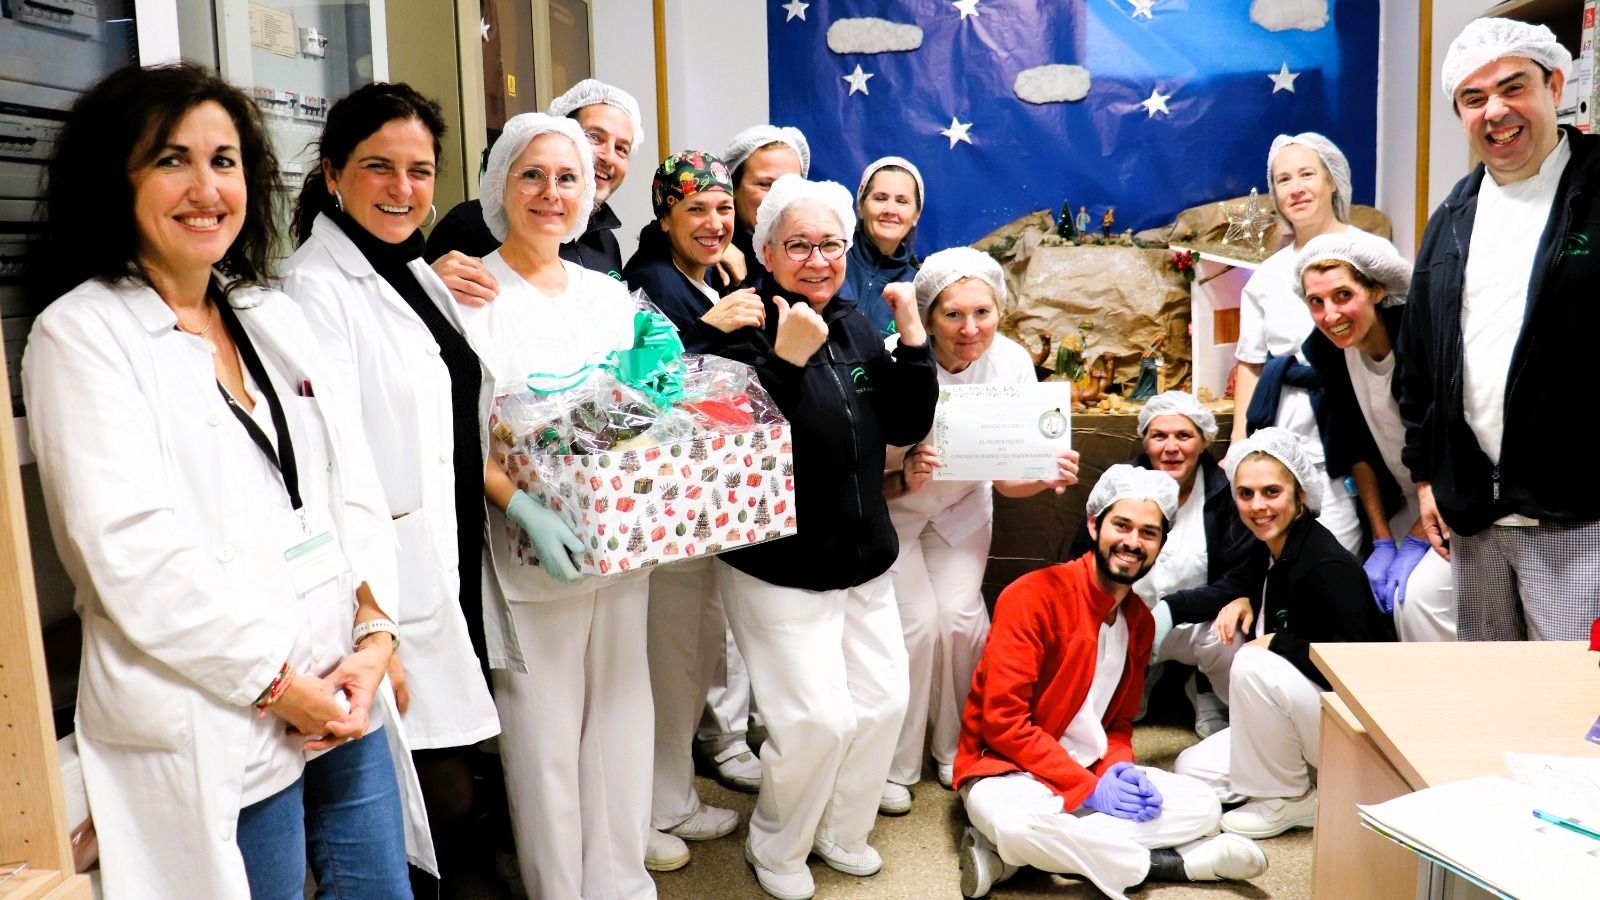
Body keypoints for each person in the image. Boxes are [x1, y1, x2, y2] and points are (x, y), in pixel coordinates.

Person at [22, 62, 423, 898]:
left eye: (226, 160)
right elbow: (128, 553)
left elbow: (349, 483)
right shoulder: (82, 335)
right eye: (171, 160)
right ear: (116, 180)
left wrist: (377, 634)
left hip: (341, 685)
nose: (206, 187)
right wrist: (279, 687)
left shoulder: (266, 312)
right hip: (225, 708)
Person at [280, 82, 503, 893]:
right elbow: (328, 467)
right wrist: (370, 616)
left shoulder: (410, 265)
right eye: (380, 167)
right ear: (334, 173)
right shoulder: (315, 288)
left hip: (446, 550)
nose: (404, 189)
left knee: (450, 771)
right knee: (423, 788)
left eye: (420, 170)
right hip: (383, 575)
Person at [714, 173, 937, 899]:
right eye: (799, 245)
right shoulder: (739, 327)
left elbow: (904, 424)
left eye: (831, 244)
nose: (818, 259)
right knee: (814, 721)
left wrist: (912, 339)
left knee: (880, 705)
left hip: (865, 556)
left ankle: (841, 831)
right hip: (779, 565)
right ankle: (778, 846)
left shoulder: (854, 321)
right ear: (767, 252)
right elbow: (728, 446)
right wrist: (785, 358)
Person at [460, 112, 655, 898]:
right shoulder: (471, 292)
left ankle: (621, 881)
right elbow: (458, 436)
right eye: (532, 174)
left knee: (620, 717)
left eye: (568, 177)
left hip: (622, 544)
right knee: (542, 738)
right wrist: (522, 506)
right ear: (500, 185)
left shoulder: (610, 296)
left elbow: (653, 399)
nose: (551, 192)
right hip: (531, 552)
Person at [955, 466, 1269, 900]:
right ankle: (1177, 865)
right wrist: (1088, 790)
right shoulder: (1032, 596)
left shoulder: (1138, 619)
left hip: (1090, 766)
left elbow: (1118, 724)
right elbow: (1003, 723)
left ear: (1160, 544)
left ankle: (1010, 859)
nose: (1132, 542)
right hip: (1009, 772)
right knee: (1017, 824)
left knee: (1202, 806)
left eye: (1148, 532)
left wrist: (1116, 768)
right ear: (1094, 524)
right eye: (1121, 525)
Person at [1400, 18, 1600, 641]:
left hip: (1579, 514)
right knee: (1491, 707)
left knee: (1576, 714)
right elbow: (1421, 362)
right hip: (1477, 519)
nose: (1496, 111)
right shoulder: (1453, 216)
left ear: (1555, 84)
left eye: (1513, 87)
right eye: (1473, 97)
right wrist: (1428, 475)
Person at [880, 247, 1081, 809]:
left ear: (1000, 310)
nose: (971, 329)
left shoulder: (1013, 363)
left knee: (962, 622)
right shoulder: (894, 357)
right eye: (953, 315)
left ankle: (956, 747)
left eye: (983, 313)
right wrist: (903, 476)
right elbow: (860, 466)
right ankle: (896, 761)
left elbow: (1009, 479)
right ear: (927, 314)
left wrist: (1043, 474)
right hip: (894, 507)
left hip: (964, 507)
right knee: (916, 626)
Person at [619, 149, 751, 864]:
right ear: (664, 212)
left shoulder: (697, 277)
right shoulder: (651, 282)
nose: (712, 221)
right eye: (695, 208)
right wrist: (717, 324)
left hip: (704, 507)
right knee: (669, 662)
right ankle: (656, 804)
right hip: (667, 510)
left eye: (723, 208)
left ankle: (672, 796)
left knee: (693, 658)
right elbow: (650, 382)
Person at [1175, 428, 1394, 839]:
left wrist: (1278, 643)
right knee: (1192, 769)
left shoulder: (1327, 566)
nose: (1258, 506)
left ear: (1300, 494)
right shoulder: (1271, 546)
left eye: (1271, 492)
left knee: (1254, 660)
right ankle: (1295, 782)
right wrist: (1243, 598)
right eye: (1246, 494)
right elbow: (1249, 584)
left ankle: (1288, 800)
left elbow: (1358, 669)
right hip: (1299, 721)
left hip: (1349, 729)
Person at [1068, 391, 1263, 738]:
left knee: (1231, 638)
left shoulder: (1225, 493)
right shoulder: (1118, 484)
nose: (1171, 447)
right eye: (1159, 436)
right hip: (1125, 621)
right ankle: (1132, 680)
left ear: (1204, 442)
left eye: (1184, 436)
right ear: (1145, 442)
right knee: (1095, 723)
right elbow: (1081, 558)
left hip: (1198, 622)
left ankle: (1208, 692)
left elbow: (1242, 576)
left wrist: (1171, 610)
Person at [1296, 231, 1456, 643]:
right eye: (1317, 302)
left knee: (1416, 600)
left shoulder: (1422, 344)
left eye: (1343, 296)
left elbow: (1451, 447)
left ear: (1377, 290)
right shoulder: (1332, 353)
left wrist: (1416, 541)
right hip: (1402, 501)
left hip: (1453, 496)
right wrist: (1383, 540)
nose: (1330, 315)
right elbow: (1356, 451)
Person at [1230, 132, 1364, 555]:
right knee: (1283, 557)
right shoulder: (1266, 276)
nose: (1296, 188)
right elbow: (1251, 363)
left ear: (1332, 181)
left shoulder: (1367, 253)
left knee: (1341, 556)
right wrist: (1238, 443)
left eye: (1307, 174)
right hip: (1284, 433)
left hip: (1350, 432)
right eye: (1283, 179)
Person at [427, 78, 641, 303]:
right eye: (594, 137)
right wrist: (429, 285)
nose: (607, 157)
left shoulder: (606, 243)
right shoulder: (470, 225)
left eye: (621, 148)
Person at [722, 124, 810, 289]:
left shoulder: (818, 253)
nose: (779, 195)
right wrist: (713, 247)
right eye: (764, 184)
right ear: (732, 188)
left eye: (791, 184)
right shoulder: (713, 262)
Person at [845, 156, 924, 337]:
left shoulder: (918, 288)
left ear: (916, 216)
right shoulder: (828, 261)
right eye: (880, 198)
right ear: (860, 207)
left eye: (902, 201)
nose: (890, 210)